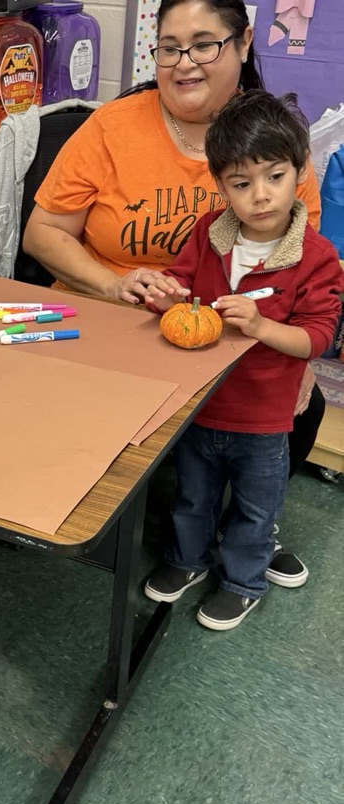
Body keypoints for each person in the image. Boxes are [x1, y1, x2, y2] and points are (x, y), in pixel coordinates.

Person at [23, 0, 326, 583]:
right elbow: (44, 233)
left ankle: (245, 526)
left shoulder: (273, 140)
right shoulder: (112, 127)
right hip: (112, 322)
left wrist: (304, 354)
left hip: (234, 329)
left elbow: (304, 259)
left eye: (204, 43)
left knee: (297, 406)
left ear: (242, 44)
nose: (184, 63)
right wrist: (113, 283)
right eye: (169, 48)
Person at [141, 90, 343, 629]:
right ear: (220, 185)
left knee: (256, 512)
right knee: (191, 500)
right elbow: (182, 283)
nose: (260, 196)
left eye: (274, 177)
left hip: (263, 419)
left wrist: (260, 326)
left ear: (299, 171)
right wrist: (166, 294)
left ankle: (243, 582)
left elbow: (318, 337)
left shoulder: (316, 257)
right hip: (199, 406)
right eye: (241, 183)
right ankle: (187, 563)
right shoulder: (209, 235)